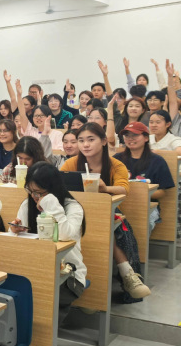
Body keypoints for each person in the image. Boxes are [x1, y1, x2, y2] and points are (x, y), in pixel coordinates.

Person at [60, 123, 149, 300]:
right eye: (81, 140)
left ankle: (127, 275)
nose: (85, 145)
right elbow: (57, 184)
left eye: (90, 140)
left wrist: (105, 188)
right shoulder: (71, 163)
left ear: (103, 141)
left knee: (109, 228)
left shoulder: (116, 165)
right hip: (75, 210)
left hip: (106, 210)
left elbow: (124, 189)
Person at [10, 163, 87, 321]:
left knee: (38, 300)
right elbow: (18, 245)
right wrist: (16, 231)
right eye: (30, 190)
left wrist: (50, 203)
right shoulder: (27, 205)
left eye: (38, 192)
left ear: (53, 190)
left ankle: (38, 335)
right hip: (36, 270)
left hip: (69, 275)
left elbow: (65, 234)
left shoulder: (72, 207)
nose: (33, 196)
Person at [114, 122, 175, 238]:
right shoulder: (117, 159)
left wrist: (140, 193)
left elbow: (163, 192)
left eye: (135, 135)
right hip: (121, 204)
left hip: (147, 205)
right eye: (127, 135)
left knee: (139, 231)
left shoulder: (157, 161)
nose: (130, 138)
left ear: (146, 138)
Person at [16, 81, 63, 149]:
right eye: (36, 116)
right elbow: (22, 114)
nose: (38, 118)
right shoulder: (31, 131)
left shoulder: (57, 134)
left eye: (41, 115)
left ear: (49, 117)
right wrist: (19, 95)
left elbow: (59, 152)